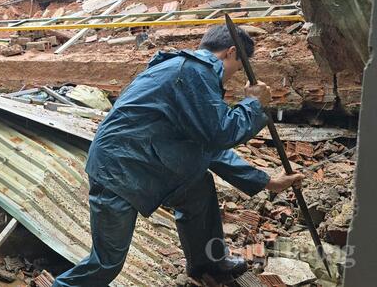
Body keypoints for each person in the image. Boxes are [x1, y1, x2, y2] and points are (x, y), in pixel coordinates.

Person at [52, 25, 305, 286]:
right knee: (106, 263)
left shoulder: (187, 70)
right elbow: (220, 134)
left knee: (198, 188)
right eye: (238, 70)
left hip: (145, 161)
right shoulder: (195, 72)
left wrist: (266, 182)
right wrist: (252, 103)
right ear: (230, 53)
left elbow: (207, 146)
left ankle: (208, 262)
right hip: (120, 171)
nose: (233, 77)